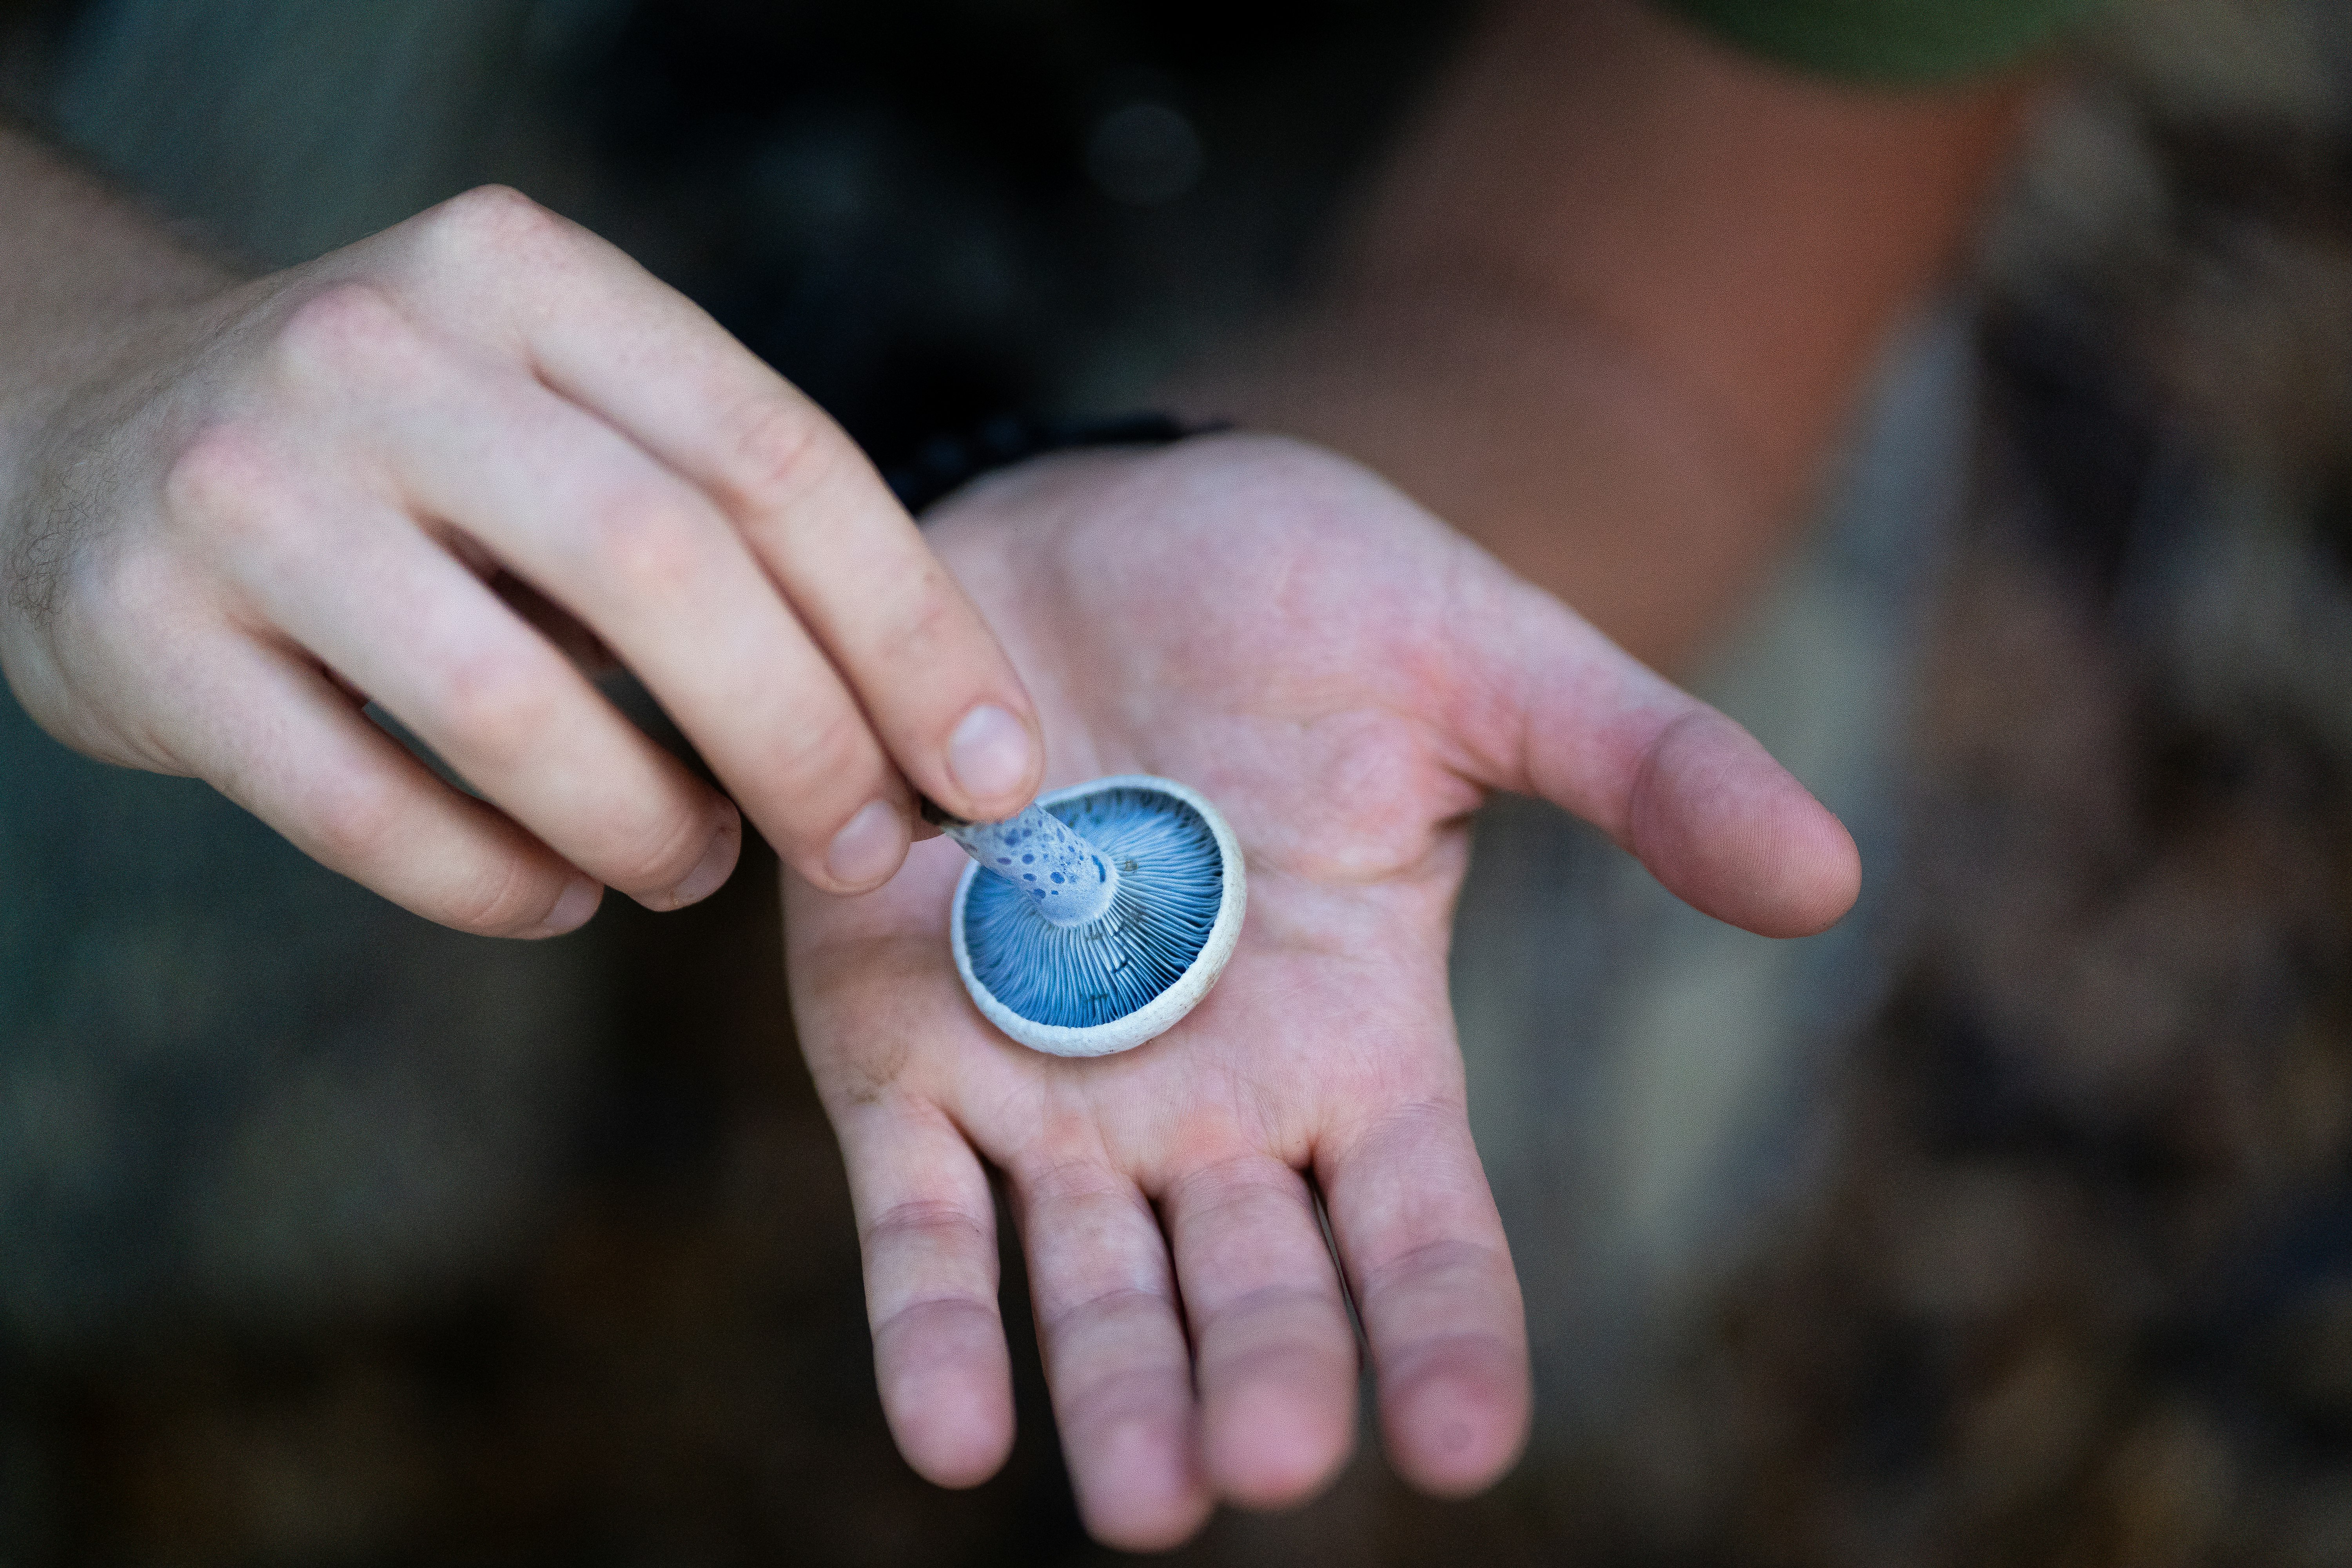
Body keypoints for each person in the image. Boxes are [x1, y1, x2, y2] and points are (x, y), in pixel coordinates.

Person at [0, 0, 2088, 1549]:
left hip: (1426, 151)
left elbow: (1616, 348)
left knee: (1542, 1201)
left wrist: (1226, 505)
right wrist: (67, 369)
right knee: (116, 1085)